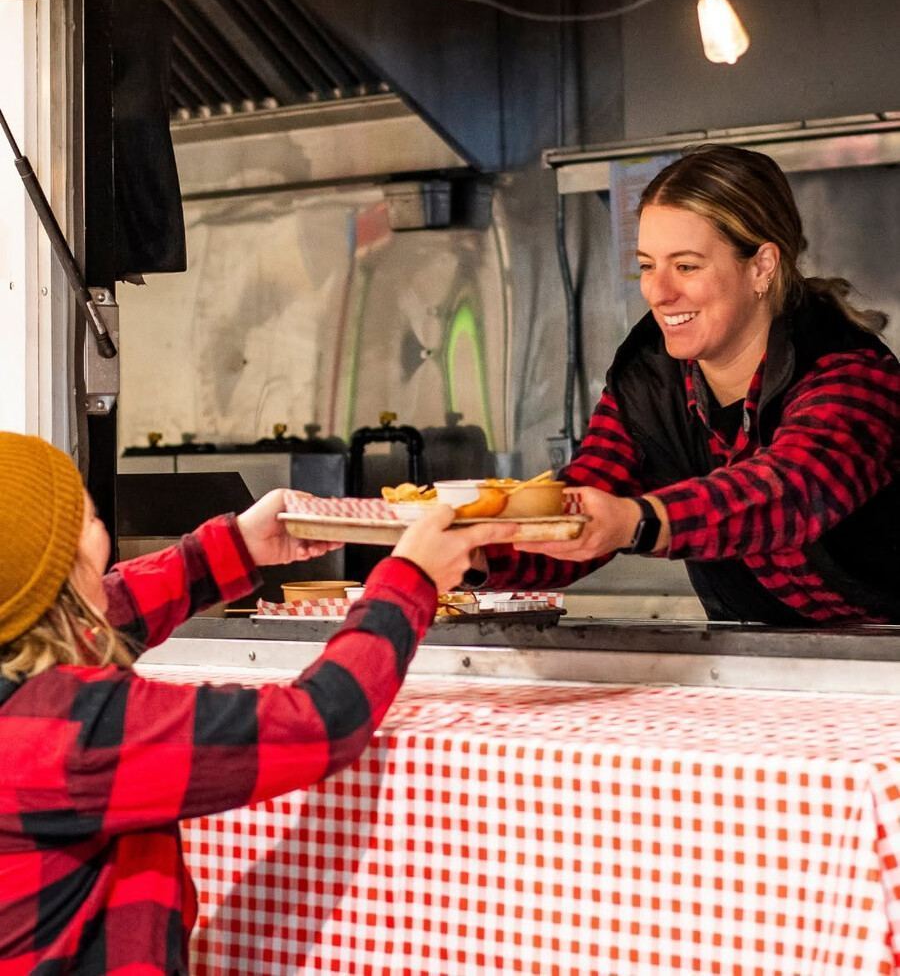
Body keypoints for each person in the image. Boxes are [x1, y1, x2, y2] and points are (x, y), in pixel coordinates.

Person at [0, 431, 514, 974]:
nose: (101, 530)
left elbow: (109, 614)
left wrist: (239, 544)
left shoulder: (21, 660)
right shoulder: (72, 732)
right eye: (89, 521)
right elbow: (320, 722)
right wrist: (410, 581)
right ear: (60, 575)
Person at [478, 144, 899, 624]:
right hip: (763, 663)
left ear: (761, 266)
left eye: (686, 266)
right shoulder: (647, 380)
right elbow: (579, 511)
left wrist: (638, 522)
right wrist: (475, 553)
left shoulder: (849, 372)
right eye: (646, 265)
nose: (658, 292)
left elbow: (787, 493)